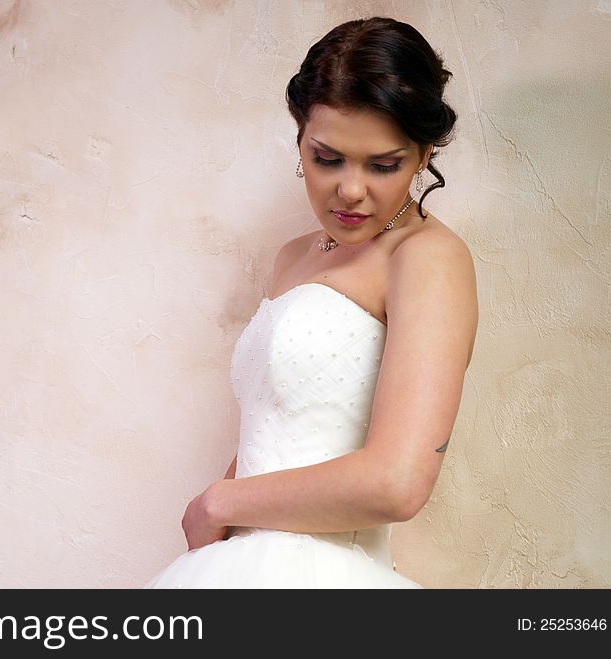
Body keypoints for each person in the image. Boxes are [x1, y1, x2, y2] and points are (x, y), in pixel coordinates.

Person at [145, 16, 478, 588]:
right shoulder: (293, 256)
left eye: (383, 164)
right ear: (300, 138)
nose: (350, 190)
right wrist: (222, 508)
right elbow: (278, 425)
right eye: (328, 158)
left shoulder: (426, 258)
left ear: (424, 155)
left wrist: (221, 502)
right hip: (236, 568)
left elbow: (398, 481)